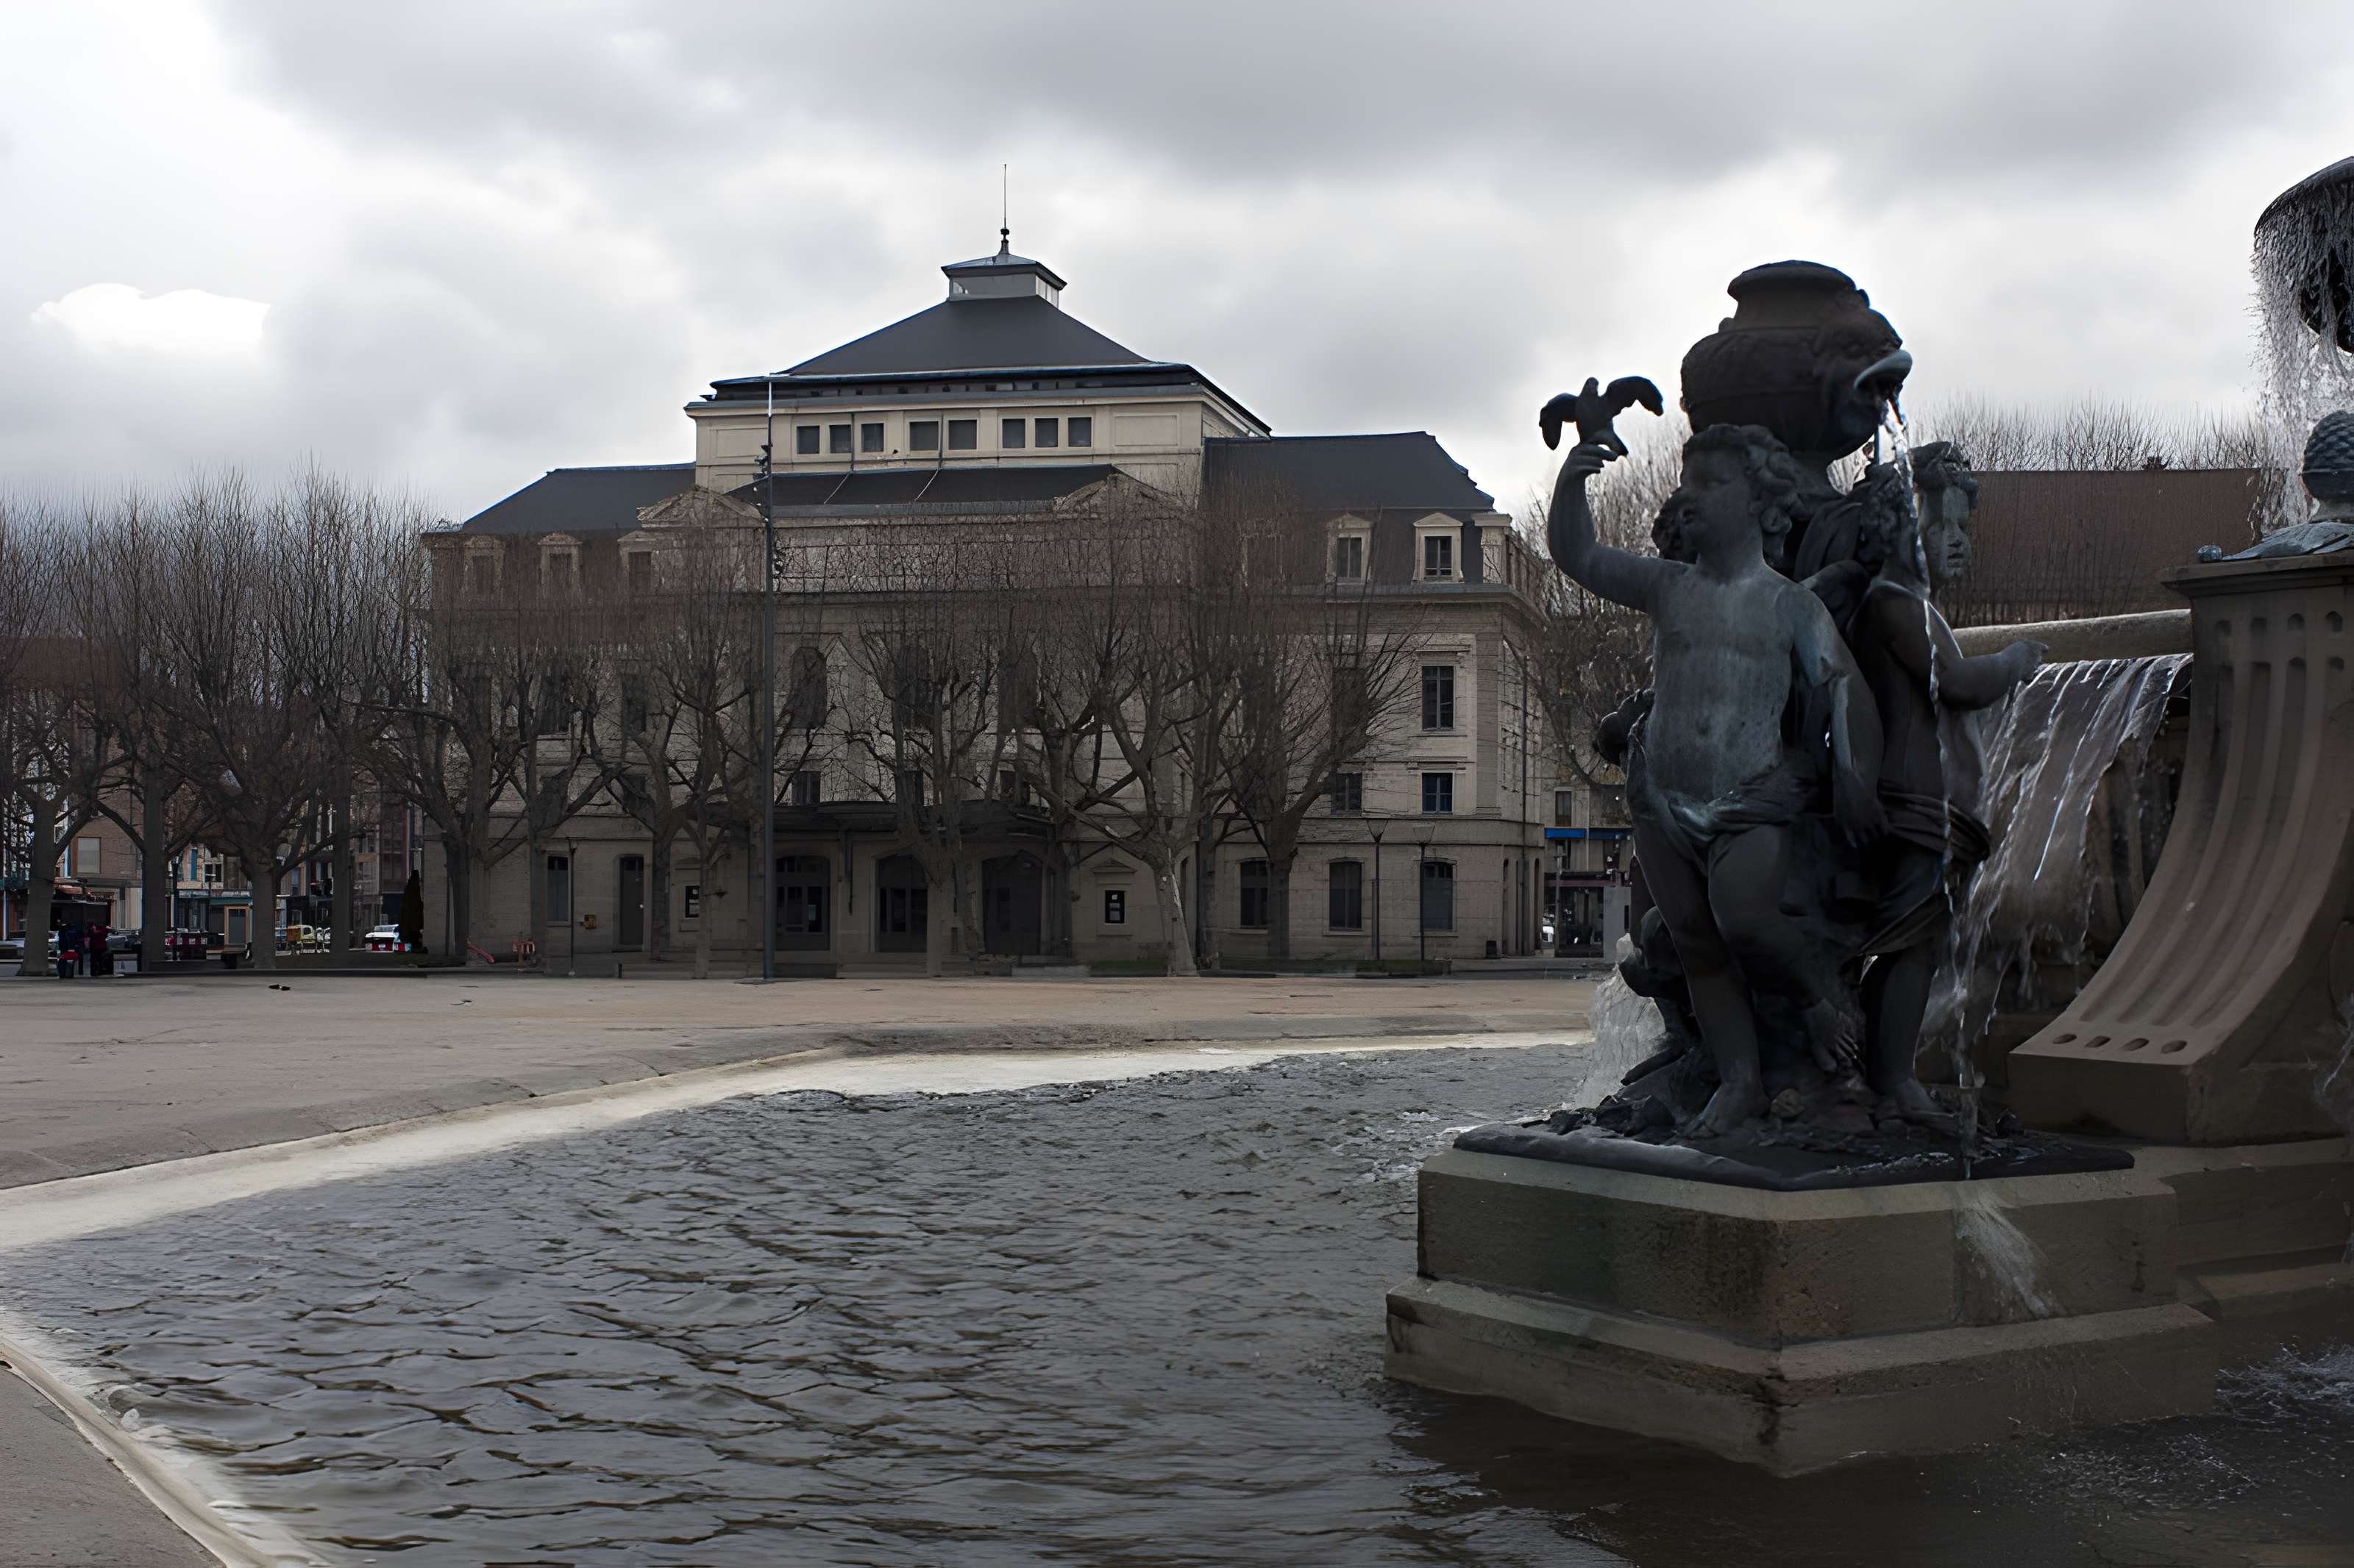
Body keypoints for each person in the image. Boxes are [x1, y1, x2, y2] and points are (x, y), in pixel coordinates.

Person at [1548, 421, 1886, 1136]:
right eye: (1685, 481)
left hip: (1749, 799)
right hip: (1660, 799)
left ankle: (1815, 998)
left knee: (1746, 917)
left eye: (1707, 482)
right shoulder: (1669, 586)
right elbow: (1578, 556)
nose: (1687, 495)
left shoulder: (1789, 604)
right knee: (1697, 944)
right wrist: (1573, 480)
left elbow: (1843, 687)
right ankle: (1739, 1081)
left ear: (1761, 500)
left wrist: (1855, 776)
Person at [1846, 449, 2041, 1122]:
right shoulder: (1890, 604)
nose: (1957, 541)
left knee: (1918, 943)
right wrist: (2013, 661)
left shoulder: (1915, 605)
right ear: (1898, 528)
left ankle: (1886, 1073)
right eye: (1941, 526)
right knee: (1910, 943)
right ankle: (1892, 1078)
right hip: (1914, 806)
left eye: (1963, 528)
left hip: (1937, 810)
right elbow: (1954, 684)